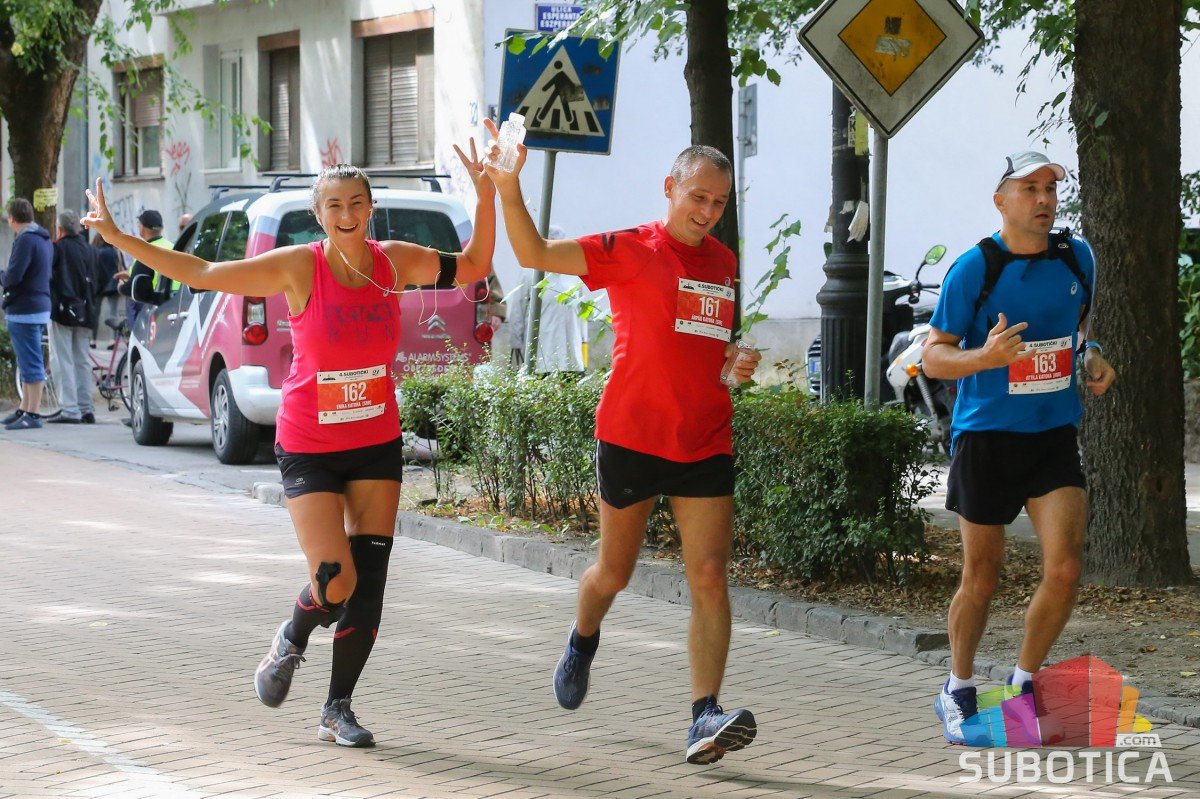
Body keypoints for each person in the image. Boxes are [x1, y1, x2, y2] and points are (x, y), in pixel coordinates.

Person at [82, 148, 497, 747]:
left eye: (357, 203)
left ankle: (337, 708)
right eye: (335, 205)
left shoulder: (395, 262)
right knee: (335, 583)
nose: (347, 214)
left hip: (375, 439)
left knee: (370, 585)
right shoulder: (300, 267)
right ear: (318, 214)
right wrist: (121, 239)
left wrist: (487, 193)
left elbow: (476, 263)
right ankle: (293, 635)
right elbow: (203, 272)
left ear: (370, 209)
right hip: (310, 442)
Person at [482, 126, 762, 766]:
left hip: (704, 438)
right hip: (633, 435)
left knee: (709, 576)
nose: (707, 212)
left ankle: (704, 715)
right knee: (614, 573)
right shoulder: (631, 249)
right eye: (698, 197)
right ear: (670, 188)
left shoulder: (723, 263)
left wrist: (733, 363)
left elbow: (706, 343)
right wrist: (509, 185)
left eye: (719, 202)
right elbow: (532, 252)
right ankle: (582, 640)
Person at [922, 151, 1117, 745]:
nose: (1044, 200)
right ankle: (957, 689)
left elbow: (1078, 328)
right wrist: (986, 356)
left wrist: (1091, 355)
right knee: (982, 576)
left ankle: (1023, 685)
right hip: (986, 438)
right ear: (1000, 200)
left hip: (1053, 434)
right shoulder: (975, 268)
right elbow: (934, 356)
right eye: (1029, 188)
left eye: (1050, 189)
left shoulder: (1077, 257)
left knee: (1065, 568)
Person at [1, 198, 54, 431]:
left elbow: (14, 277)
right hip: (39, 304)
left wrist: (2, 276)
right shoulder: (43, 238)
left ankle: (33, 413)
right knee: (27, 361)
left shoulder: (25, 240)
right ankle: (24, 408)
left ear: (12, 218)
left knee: (31, 363)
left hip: (24, 309)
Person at [505, 225, 587, 373]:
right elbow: (518, 310)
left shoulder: (573, 273)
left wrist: (584, 344)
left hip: (572, 360)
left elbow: (582, 314)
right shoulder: (530, 273)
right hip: (541, 361)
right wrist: (516, 343)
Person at [47, 210, 100, 424]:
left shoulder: (57, 248)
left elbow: (50, 277)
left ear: (59, 229)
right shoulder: (90, 249)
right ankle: (86, 407)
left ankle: (69, 409)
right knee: (82, 360)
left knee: (62, 359)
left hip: (63, 310)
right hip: (86, 311)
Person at [116, 209, 173, 329]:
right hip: (177, 301)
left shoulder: (145, 252)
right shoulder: (173, 246)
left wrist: (121, 287)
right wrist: (129, 274)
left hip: (156, 308)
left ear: (142, 229)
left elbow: (135, 288)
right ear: (162, 228)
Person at [91, 231, 125, 347]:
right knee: (113, 314)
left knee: (95, 313)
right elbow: (121, 267)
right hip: (113, 284)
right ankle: (112, 340)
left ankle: (93, 340)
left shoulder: (95, 252)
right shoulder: (115, 252)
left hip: (98, 285)